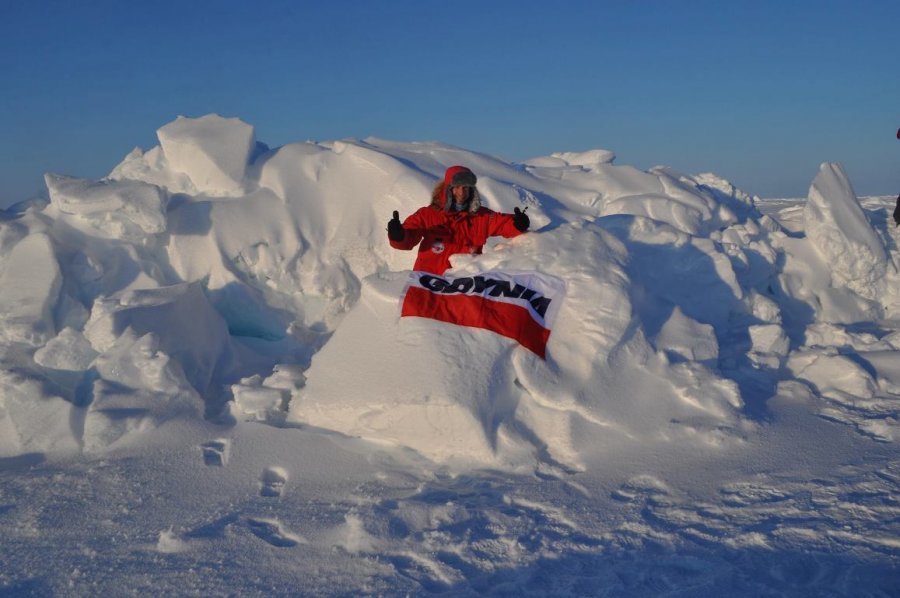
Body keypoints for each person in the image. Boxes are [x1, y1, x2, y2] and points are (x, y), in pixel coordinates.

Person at [387, 165, 530, 274]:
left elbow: (502, 223)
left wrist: (517, 223)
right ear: (448, 189)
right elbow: (408, 238)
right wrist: (398, 235)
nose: (461, 193)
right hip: (427, 285)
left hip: (461, 289)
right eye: (456, 188)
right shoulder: (428, 214)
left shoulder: (481, 216)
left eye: (465, 188)